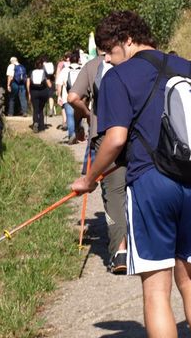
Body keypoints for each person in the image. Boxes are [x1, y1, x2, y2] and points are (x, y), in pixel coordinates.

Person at [72, 11, 191, 337]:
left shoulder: (118, 78)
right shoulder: (190, 69)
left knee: (156, 290)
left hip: (152, 183)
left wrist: (90, 178)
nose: (107, 59)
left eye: (109, 50)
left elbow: (116, 138)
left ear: (127, 39)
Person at [67, 52, 128, 274]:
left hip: (104, 132)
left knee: (114, 193)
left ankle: (120, 251)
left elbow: (73, 97)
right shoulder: (132, 61)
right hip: (134, 132)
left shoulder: (93, 66)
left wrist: (87, 116)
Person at [56, 50, 83, 144]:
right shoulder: (82, 69)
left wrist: (59, 95)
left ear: (70, 60)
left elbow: (59, 84)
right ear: (78, 60)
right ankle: (79, 130)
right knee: (79, 115)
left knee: (70, 116)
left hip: (67, 96)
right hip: (80, 97)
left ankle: (72, 135)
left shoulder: (65, 70)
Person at [27, 57, 52, 133]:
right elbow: (49, 85)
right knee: (41, 109)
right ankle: (41, 126)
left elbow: (28, 83)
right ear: (42, 65)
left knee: (35, 109)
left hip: (34, 92)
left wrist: (28, 93)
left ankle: (35, 122)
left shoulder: (31, 72)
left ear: (35, 65)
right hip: (43, 92)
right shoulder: (44, 73)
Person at [55, 53, 71, 130]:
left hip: (63, 86)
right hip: (71, 87)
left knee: (63, 105)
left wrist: (57, 88)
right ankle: (69, 121)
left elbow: (58, 74)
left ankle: (65, 121)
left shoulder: (61, 64)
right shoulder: (77, 64)